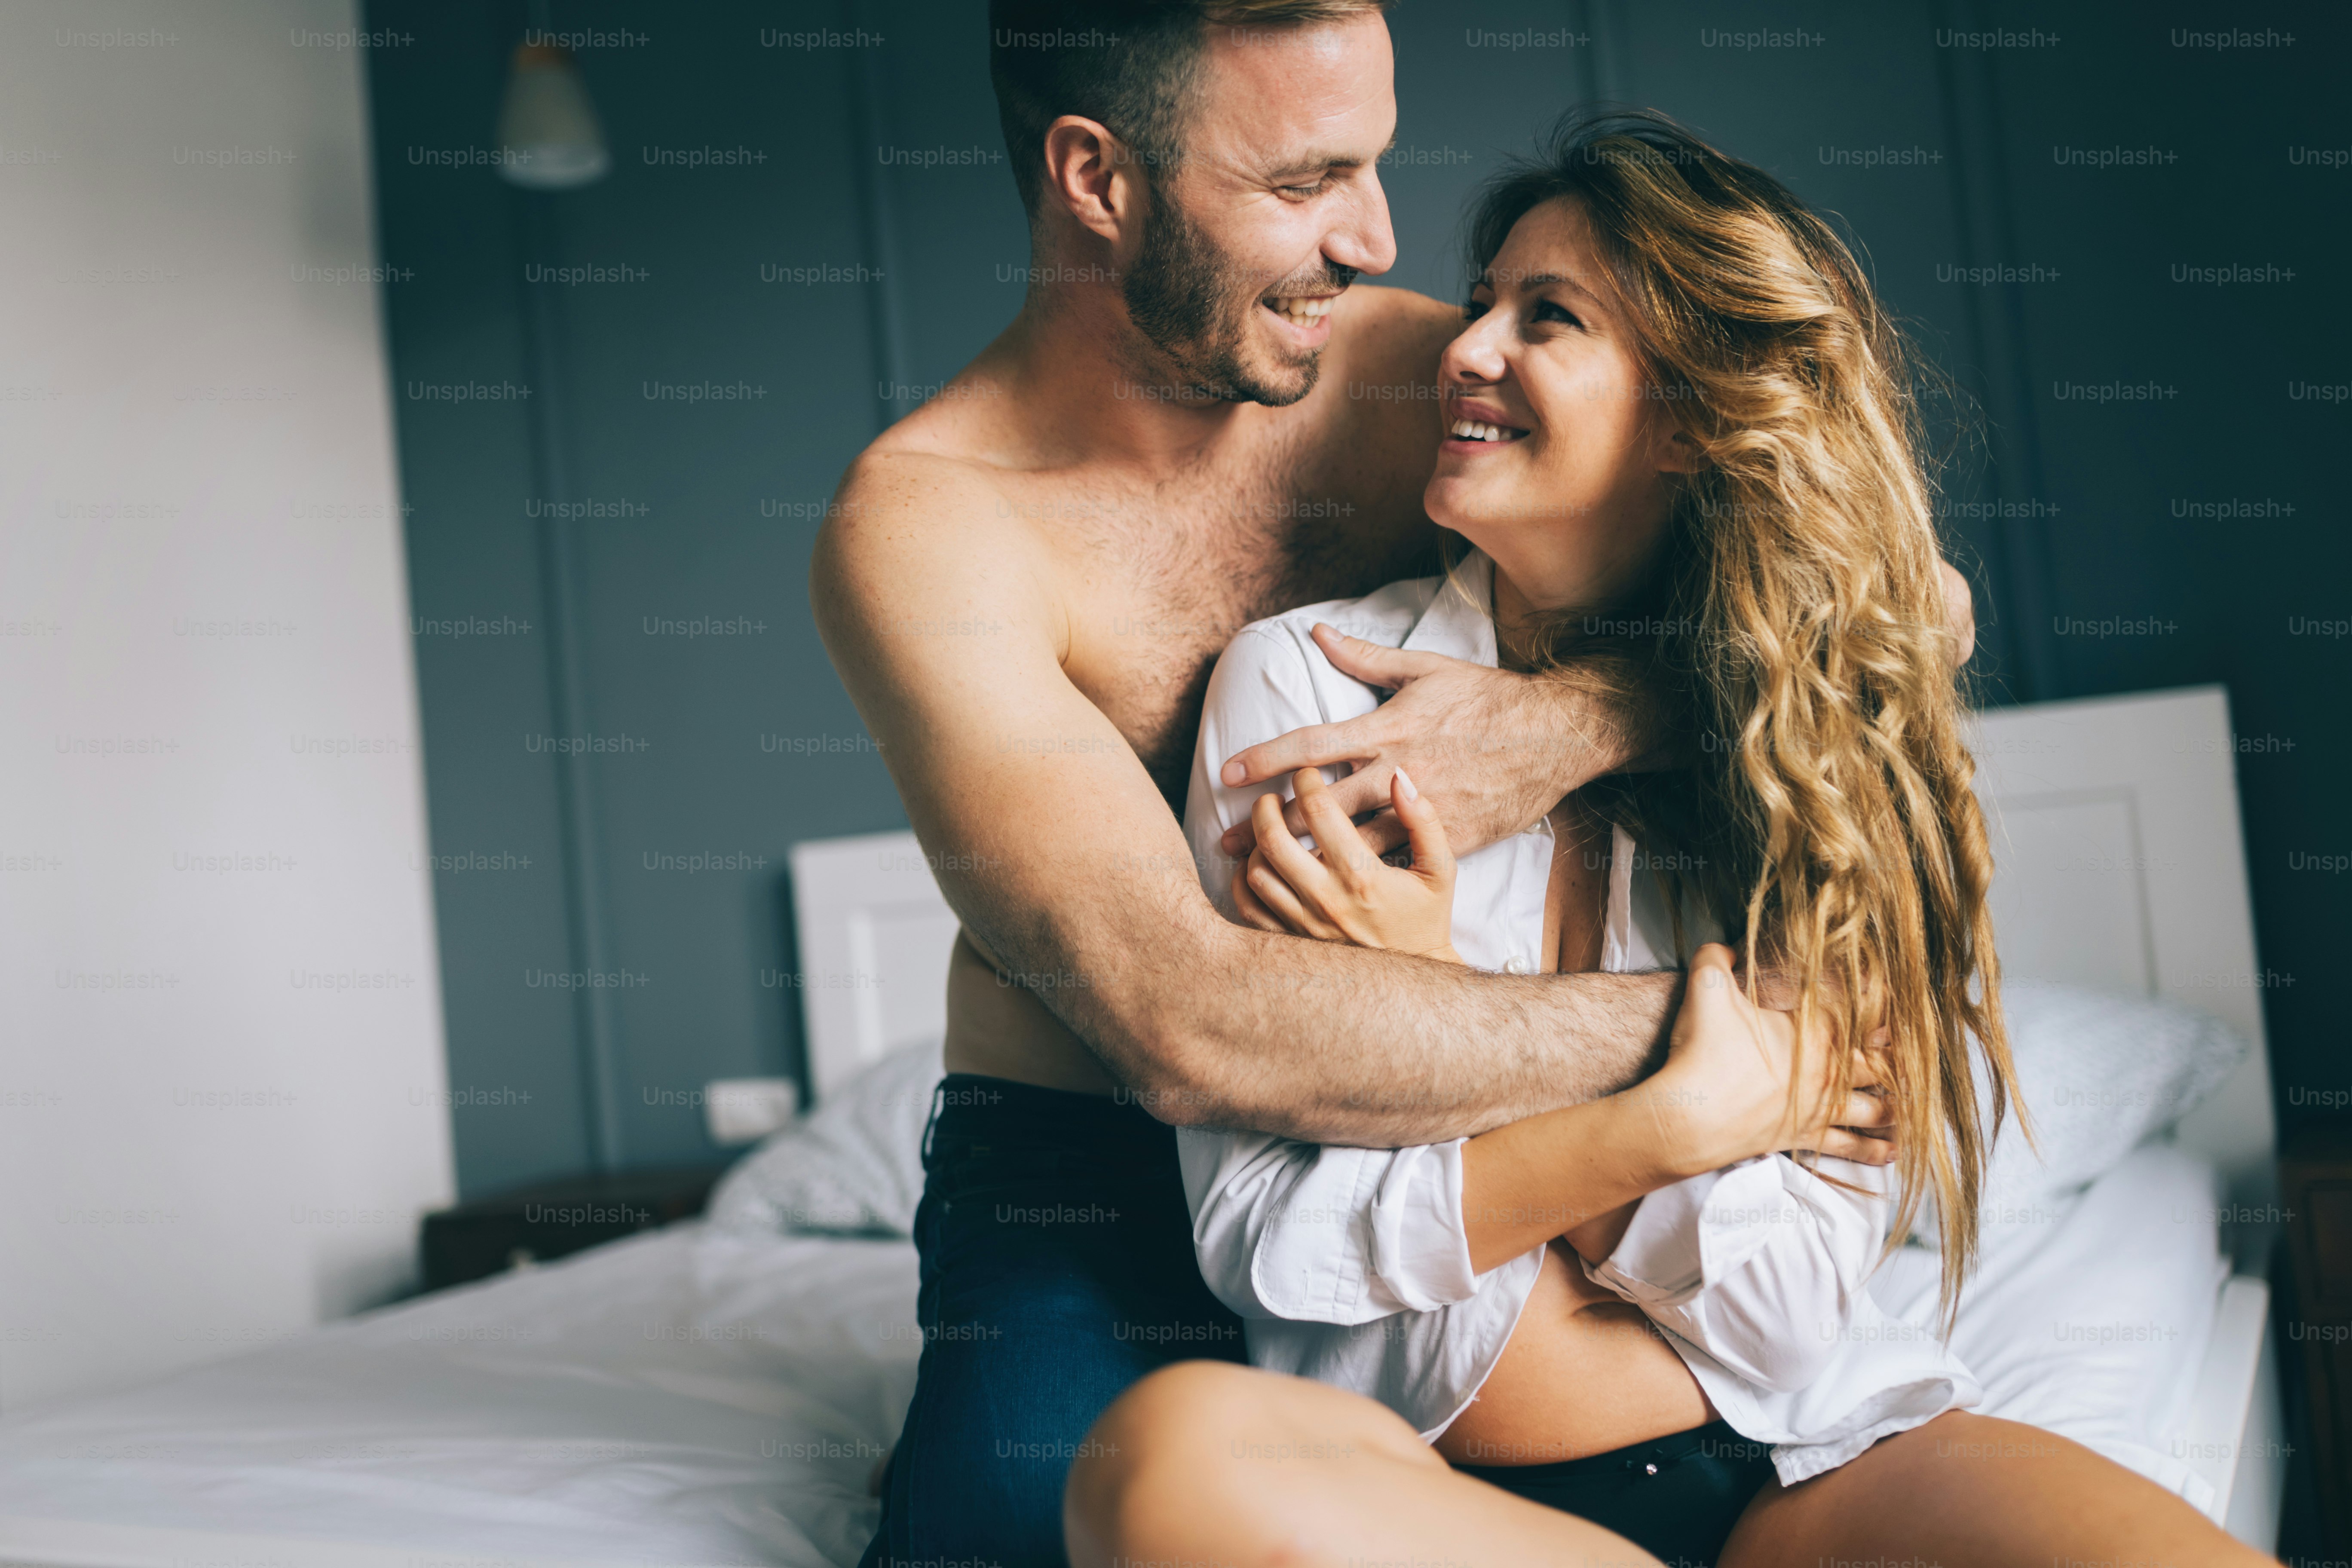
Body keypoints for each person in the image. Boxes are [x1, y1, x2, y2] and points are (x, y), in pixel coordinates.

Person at [814, 4, 1960, 1562]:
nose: (1374, 236)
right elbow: (1188, 1029)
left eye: (1377, 164)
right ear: (1099, 177)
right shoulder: (931, 530)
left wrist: (1576, 719)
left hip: (1428, 1111)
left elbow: (1901, 608)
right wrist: (1721, 1055)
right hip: (1097, 1171)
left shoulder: (1427, 376)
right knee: (1026, 1536)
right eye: (1306, 180)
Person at [1063, 111, 2278, 1568]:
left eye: (1549, 318)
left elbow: (1780, 1317)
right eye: (1480, 303)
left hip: (1805, 1468)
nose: (1465, 349)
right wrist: (1683, 1119)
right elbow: (1277, 1239)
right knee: (1165, 1465)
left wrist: (1434, 1025)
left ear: (1695, 420)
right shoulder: (1316, 691)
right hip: (1435, 1497)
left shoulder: (1828, 758)